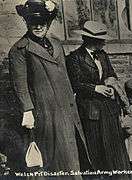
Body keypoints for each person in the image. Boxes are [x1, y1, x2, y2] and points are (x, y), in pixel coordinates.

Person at [9, 0, 89, 179]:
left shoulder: (56, 44)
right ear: (27, 23)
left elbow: (65, 74)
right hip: (44, 111)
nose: (38, 26)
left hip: (67, 108)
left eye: (42, 22)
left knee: (72, 153)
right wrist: (27, 110)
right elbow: (20, 84)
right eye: (33, 23)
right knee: (53, 157)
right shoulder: (20, 50)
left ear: (48, 23)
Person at [65, 21, 131, 178]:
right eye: (102, 39)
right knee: (96, 150)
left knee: (114, 149)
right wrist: (96, 88)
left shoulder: (103, 55)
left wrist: (110, 85)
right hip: (91, 111)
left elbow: (111, 74)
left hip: (108, 109)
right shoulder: (75, 58)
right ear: (90, 40)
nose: (104, 42)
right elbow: (75, 84)